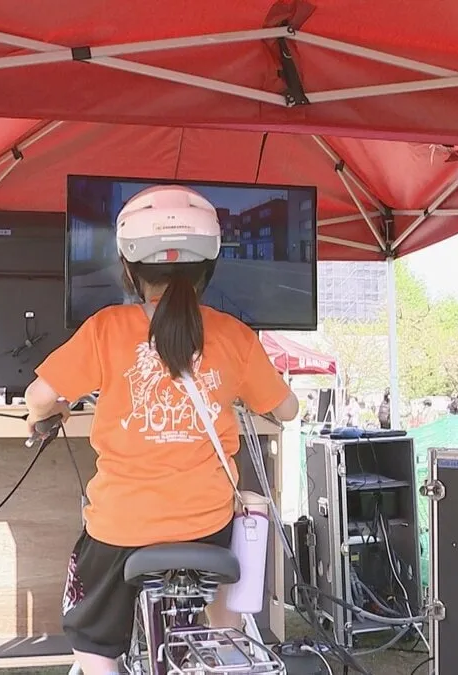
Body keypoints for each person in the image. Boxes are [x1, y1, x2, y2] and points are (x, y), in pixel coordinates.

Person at [24, 185, 299, 673]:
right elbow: (289, 409)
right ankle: (219, 649)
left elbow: (39, 396)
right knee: (223, 599)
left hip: (121, 525)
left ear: (129, 269)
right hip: (207, 525)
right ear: (209, 267)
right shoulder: (235, 336)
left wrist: (58, 408)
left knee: (89, 632)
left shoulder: (106, 328)